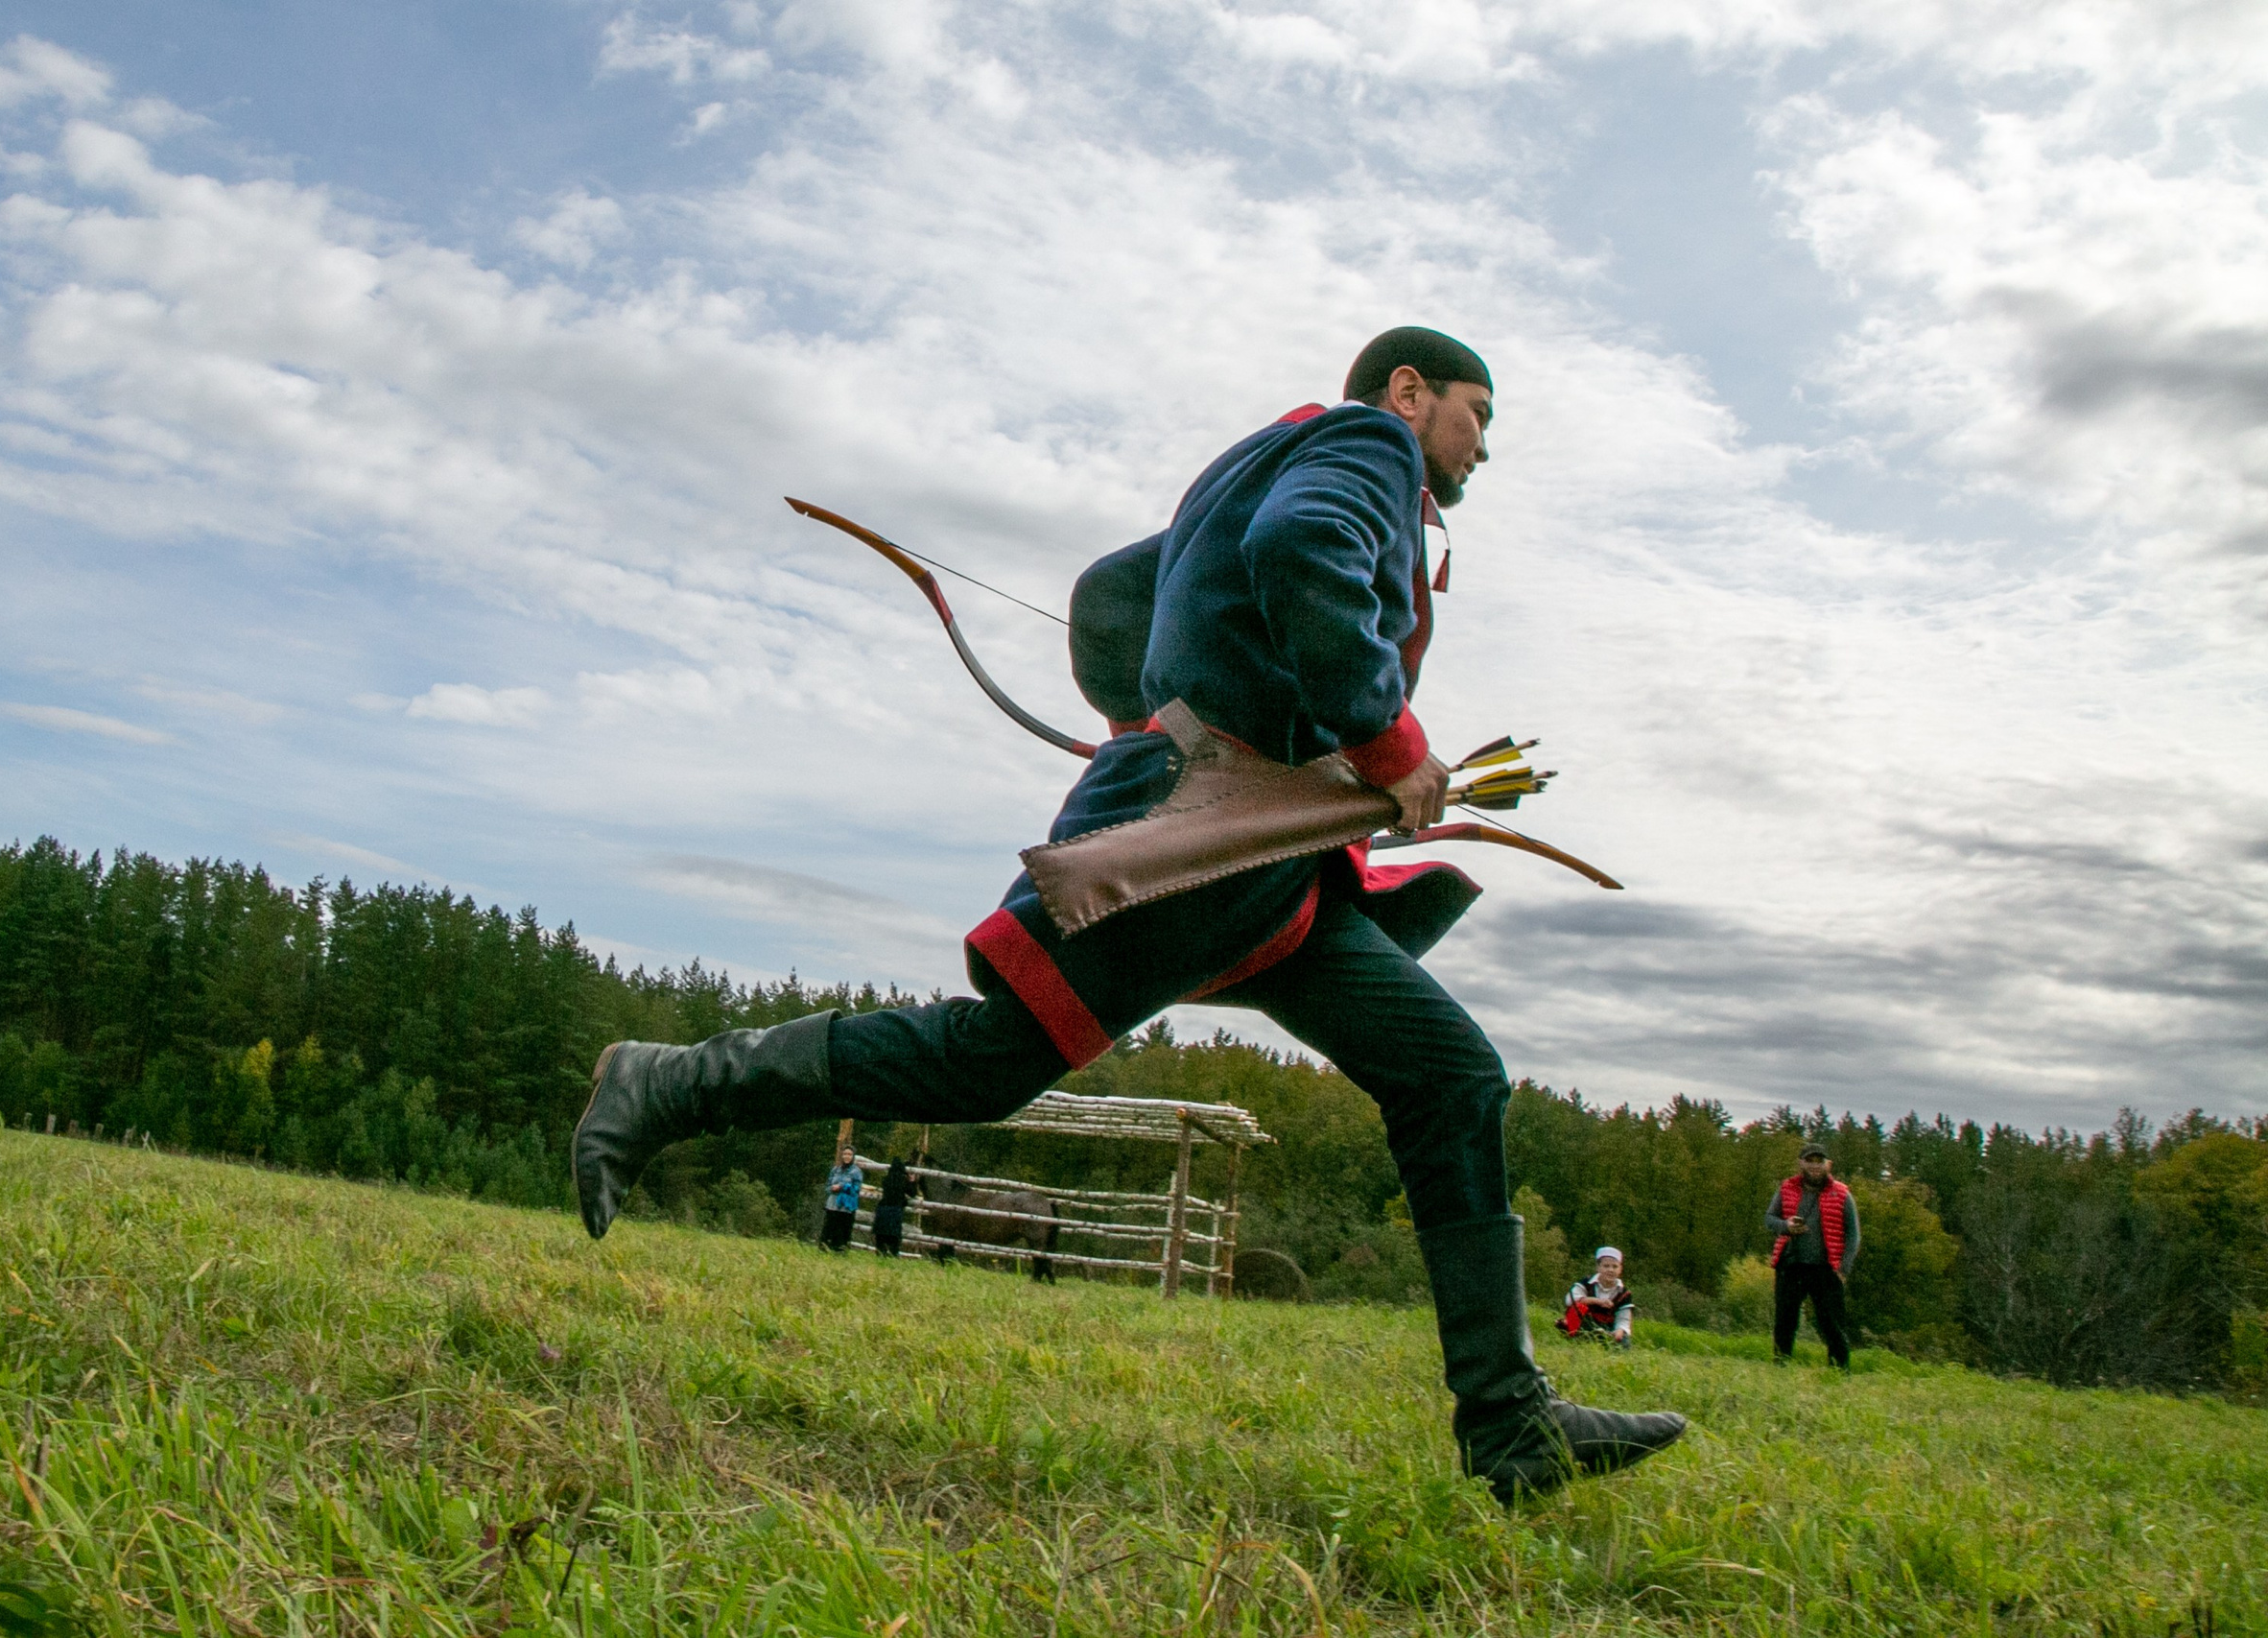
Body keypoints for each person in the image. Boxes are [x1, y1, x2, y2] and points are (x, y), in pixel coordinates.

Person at [573, 326, 1686, 1503]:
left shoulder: (1260, 456)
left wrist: (1161, 718)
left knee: (1451, 1075)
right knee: (986, 1064)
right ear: (1408, 393)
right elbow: (1302, 549)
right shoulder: (1367, 447)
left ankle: (1509, 1426)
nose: (1479, 446)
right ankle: (668, 1081)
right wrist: (1385, 744)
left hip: (1269, 863)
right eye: (1475, 413)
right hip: (1218, 840)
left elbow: (1113, 592)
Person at [1767, 1143, 1860, 1367]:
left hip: (1827, 1269)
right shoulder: (1786, 1188)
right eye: (1810, 1161)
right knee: (1785, 1321)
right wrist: (1786, 1225)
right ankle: (1780, 1366)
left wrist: (1843, 1269)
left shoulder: (1842, 1193)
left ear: (1828, 1164)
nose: (1815, 1166)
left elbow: (1854, 1234)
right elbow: (1769, 1218)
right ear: (1801, 1163)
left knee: (1832, 1324)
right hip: (1791, 1265)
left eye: (1819, 1161)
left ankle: (1839, 1370)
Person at [1561, 1246, 1634, 1346]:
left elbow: (1623, 1319)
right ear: (1598, 1267)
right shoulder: (1586, 1283)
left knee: (1624, 1343)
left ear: (1620, 1269)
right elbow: (1570, 1300)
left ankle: (1603, 1338)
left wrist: (1619, 1331)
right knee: (1577, 1308)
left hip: (1609, 1328)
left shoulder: (1624, 1293)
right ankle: (1574, 1334)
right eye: (1606, 1266)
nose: (1610, 1270)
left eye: (1614, 1267)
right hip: (1586, 1323)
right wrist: (1598, 1301)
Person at [872, 1153, 921, 1255]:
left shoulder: (886, 1179)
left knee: (881, 1235)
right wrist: (912, 1181)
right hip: (895, 1210)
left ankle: (881, 1253)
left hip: (882, 1209)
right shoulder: (903, 1181)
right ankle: (893, 1254)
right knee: (894, 1237)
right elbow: (912, 1194)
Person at [819, 1145, 864, 1252]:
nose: (846, 1156)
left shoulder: (856, 1172)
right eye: (845, 1154)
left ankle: (839, 1250)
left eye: (849, 1154)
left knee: (842, 1230)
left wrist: (842, 1187)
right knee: (828, 1228)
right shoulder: (836, 1170)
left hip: (846, 1206)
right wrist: (832, 1188)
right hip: (832, 1204)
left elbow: (856, 1189)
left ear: (853, 1156)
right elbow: (828, 1186)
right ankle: (824, 1248)